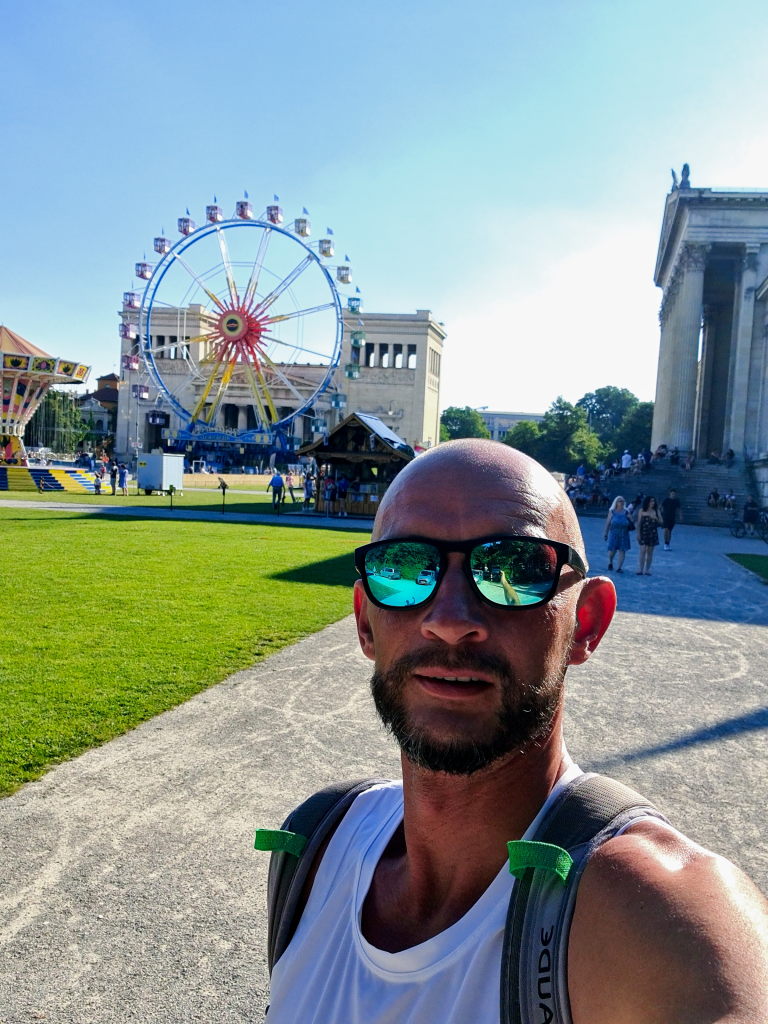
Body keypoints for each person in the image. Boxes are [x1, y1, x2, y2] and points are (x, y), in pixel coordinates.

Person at [263, 440, 768, 1023]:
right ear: (364, 621)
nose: (450, 622)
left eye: (515, 570)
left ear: (587, 622)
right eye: (403, 568)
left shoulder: (661, 919)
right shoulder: (315, 849)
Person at [603, 495, 631, 573]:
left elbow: (631, 521)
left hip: (624, 533)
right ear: (616, 502)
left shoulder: (626, 512)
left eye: (622, 501)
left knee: (622, 550)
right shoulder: (612, 511)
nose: (621, 502)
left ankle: (619, 567)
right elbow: (608, 523)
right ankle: (610, 562)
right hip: (614, 533)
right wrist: (605, 533)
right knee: (612, 550)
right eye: (620, 501)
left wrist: (630, 518)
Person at [636, 494, 661, 575]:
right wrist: (638, 534)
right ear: (647, 502)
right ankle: (640, 569)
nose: (652, 503)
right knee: (642, 551)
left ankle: (647, 569)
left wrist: (655, 518)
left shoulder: (656, 511)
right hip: (643, 532)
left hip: (652, 533)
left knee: (650, 552)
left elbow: (661, 522)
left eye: (653, 501)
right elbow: (639, 523)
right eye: (651, 501)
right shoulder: (641, 511)